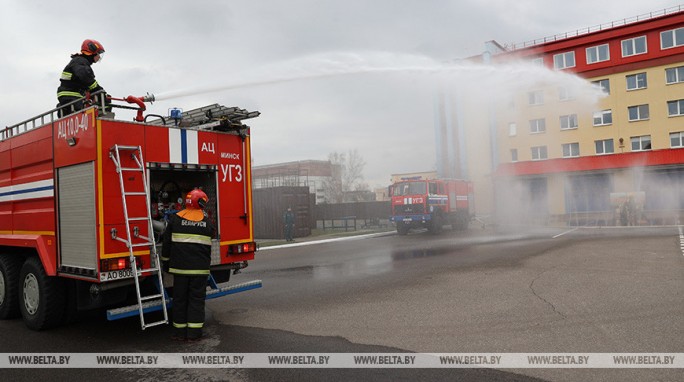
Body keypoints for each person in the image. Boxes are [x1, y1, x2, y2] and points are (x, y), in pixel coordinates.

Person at [161, 189, 215, 341]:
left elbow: (166, 244)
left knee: (179, 300)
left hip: (180, 269)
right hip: (199, 271)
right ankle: (194, 334)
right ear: (201, 203)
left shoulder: (175, 219)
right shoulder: (207, 223)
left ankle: (179, 333)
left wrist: (166, 262)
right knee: (196, 301)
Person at [56, 39, 108, 116]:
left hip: (71, 94)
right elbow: (86, 78)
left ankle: (64, 109)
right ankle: (102, 116)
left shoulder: (80, 62)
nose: (99, 56)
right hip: (71, 94)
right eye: (98, 53)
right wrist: (98, 90)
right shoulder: (80, 62)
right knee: (83, 113)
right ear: (92, 52)